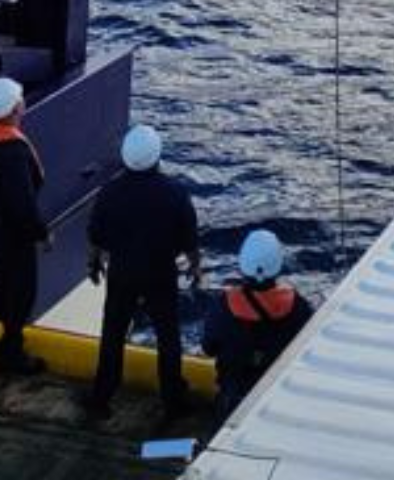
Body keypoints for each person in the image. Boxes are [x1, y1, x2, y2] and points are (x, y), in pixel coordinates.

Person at [85, 123, 199, 419]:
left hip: (122, 271)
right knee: (168, 336)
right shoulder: (175, 193)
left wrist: (94, 263)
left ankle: (102, 396)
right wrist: (195, 268)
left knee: (113, 333)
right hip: (160, 273)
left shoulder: (109, 192)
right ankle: (173, 398)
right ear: (157, 157)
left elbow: (96, 235)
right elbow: (189, 239)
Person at [0, 77, 47, 373]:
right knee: (22, 288)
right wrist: (41, 232)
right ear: (16, 107)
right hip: (16, 231)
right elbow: (24, 203)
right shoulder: (13, 152)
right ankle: (11, 350)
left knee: (2, 276)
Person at [203, 229, 313, 421]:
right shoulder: (299, 307)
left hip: (233, 399)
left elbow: (209, 347)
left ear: (243, 264)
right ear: (277, 265)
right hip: (280, 397)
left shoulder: (224, 306)